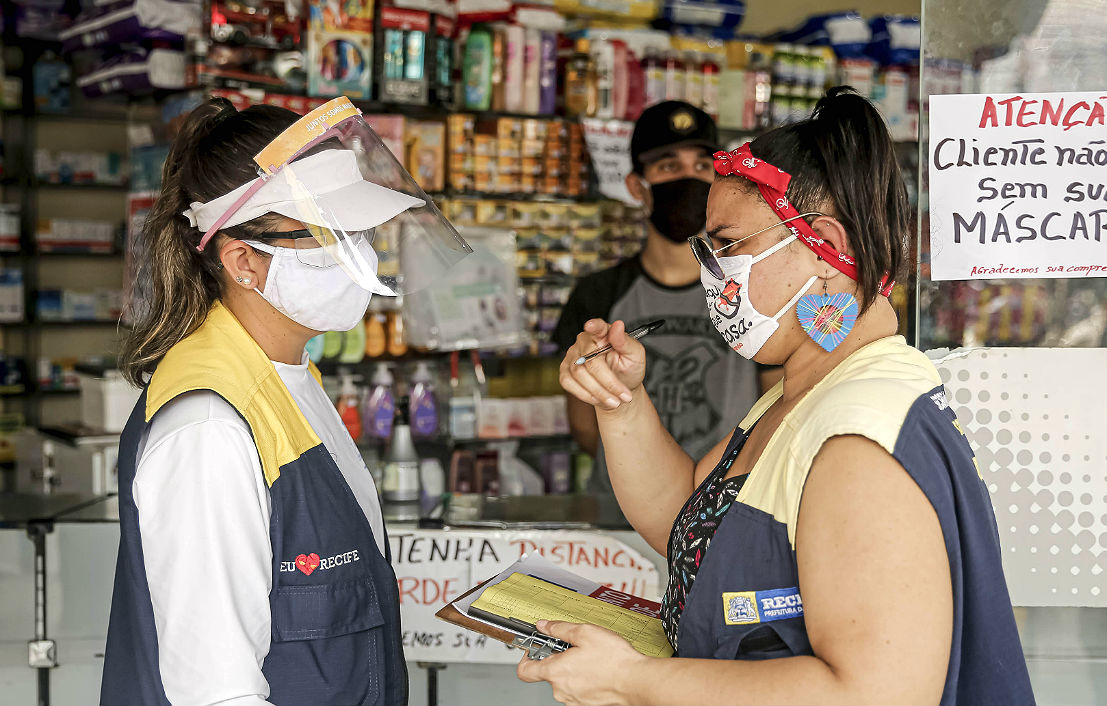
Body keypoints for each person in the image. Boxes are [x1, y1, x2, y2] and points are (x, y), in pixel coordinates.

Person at [525, 88, 1034, 705]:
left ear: (825, 246)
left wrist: (631, 680)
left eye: (730, 244)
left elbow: (876, 693)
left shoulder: (858, 439)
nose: (715, 274)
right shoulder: (808, 394)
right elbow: (693, 526)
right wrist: (621, 402)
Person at [101, 97, 470, 705]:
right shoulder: (210, 426)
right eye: (331, 235)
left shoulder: (290, 378)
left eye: (361, 232)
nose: (360, 255)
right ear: (242, 260)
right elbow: (216, 694)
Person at [552, 101, 780, 496]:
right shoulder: (598, 294)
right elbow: (585, 425)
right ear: (637, 186)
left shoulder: (751, 288)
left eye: (701, 166)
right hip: (619, 509)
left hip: (720, 507)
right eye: (669, 166)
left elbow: (775, 404)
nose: (688, 178)